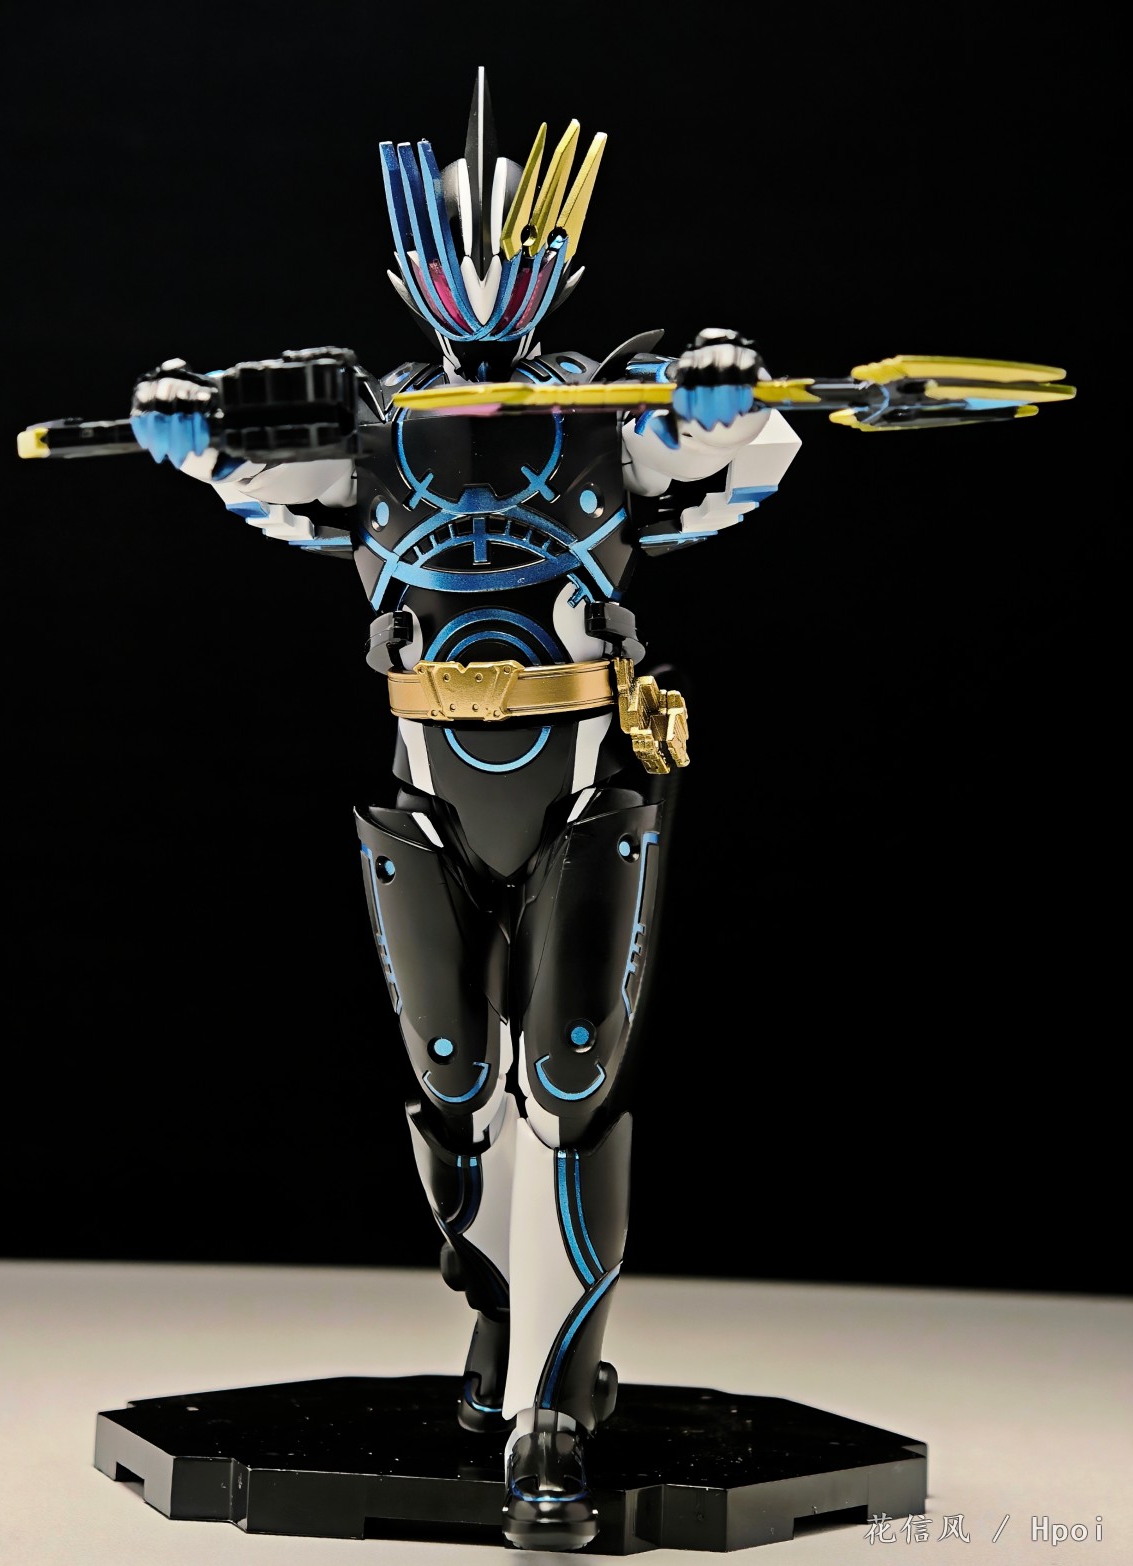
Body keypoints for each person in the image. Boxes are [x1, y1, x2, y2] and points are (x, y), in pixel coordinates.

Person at [127, 68, 799, 1551]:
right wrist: (184, 421)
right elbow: (244, 461)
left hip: (583, 785)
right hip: (430, 793)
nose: (484, 290)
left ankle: (554, 1404)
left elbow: (734, 451)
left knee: (568, 1079)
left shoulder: (610, 417)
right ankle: (497, 1308)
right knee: (450, 1083)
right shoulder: (371, 430)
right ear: (408, 273)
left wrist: (723, 389)